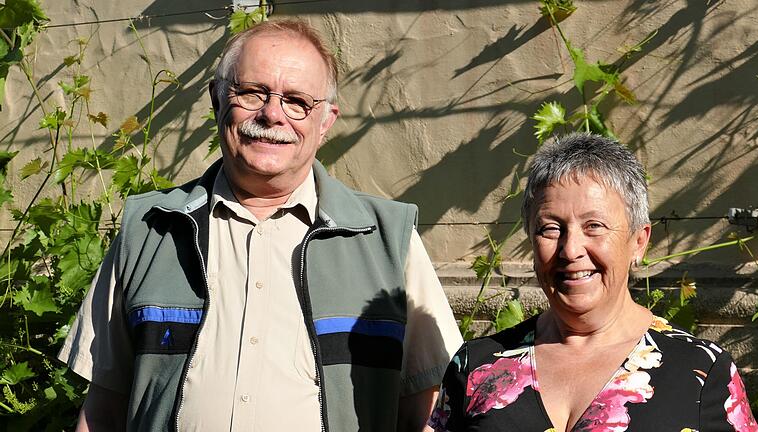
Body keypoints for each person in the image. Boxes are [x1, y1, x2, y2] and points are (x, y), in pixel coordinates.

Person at [58, 19, 463, 432]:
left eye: (297, 101)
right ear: (217, 99)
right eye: (252, 93)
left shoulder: (387, 240)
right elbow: (103, 409)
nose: (272, 114)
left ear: (325, 121)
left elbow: (425, 411)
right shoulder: (150, 230)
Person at [427, 133, 758, 431]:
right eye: (550, 228)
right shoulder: (478, 365)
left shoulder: (700, 373)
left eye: (594, 226)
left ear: (639, 241)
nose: (570, 250)